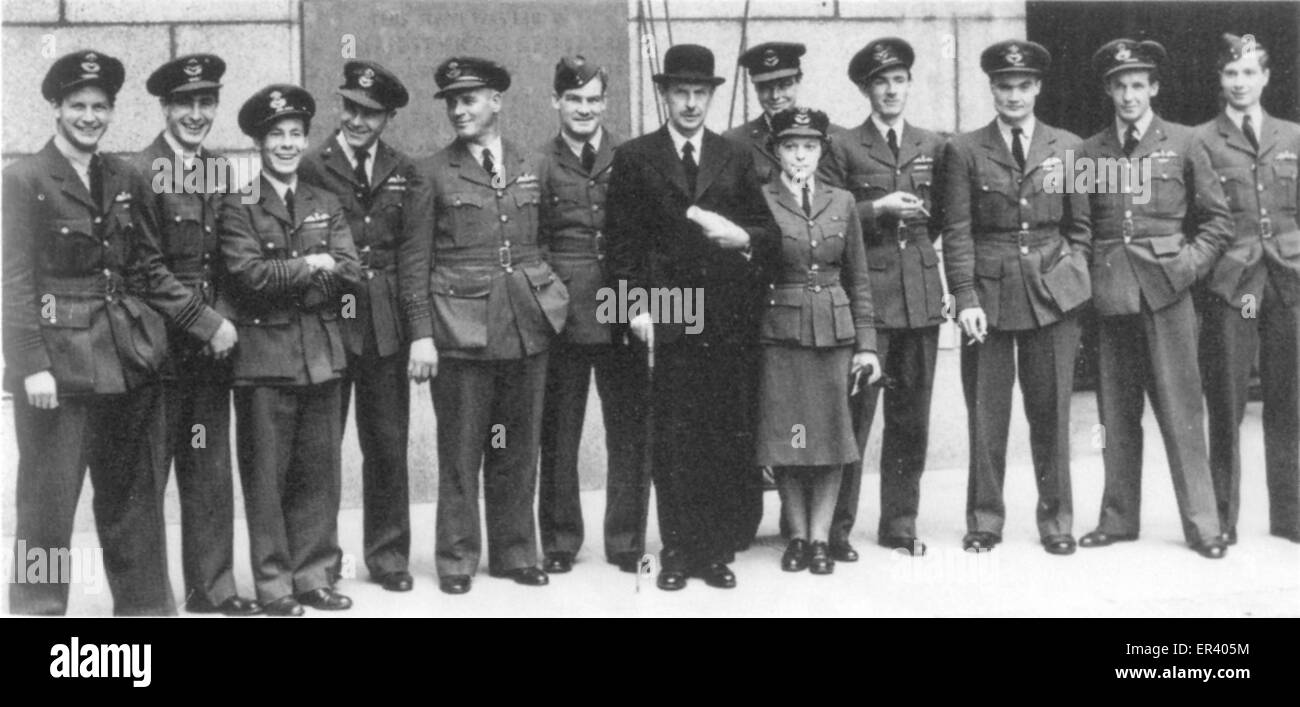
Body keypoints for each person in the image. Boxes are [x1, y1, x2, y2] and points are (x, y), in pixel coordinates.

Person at [4, 49, 235, 615]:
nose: (89, 117)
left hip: (127, 361)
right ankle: (38, 606)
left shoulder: (125, 175)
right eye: (78, 105)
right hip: (57, 370)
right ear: (56, 108)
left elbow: (147, 270)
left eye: (100, 107)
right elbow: (13, 284)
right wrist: (31, 364)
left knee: (132, 501)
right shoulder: (24, 179)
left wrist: (205, 324)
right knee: (48, 505)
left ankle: (145, 610)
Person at [605, 44, 779, 590]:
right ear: (663, 94)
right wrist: (631, 309)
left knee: (719, 433)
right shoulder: (635, 157)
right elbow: (619, 246)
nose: (689, 102)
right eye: (679, 91)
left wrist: (743, 236)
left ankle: (714, 549)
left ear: (711, 96)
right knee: (673, 435)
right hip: (668, 311)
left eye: (699, 92)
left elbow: (770, 236)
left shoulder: (734, 156)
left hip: (726, 316)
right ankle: (677, 549)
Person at [400, 57, 569, 595]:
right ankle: (455, 559)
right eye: (452, 101)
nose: (458, 110)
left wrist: (549, 300)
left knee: (517, 447)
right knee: (461, 451)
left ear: (497, 100)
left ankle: (516, 552)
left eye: (469, 99)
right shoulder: (430, 173)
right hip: (461, 331)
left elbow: (542, 242)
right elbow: (414, 262)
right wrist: (421, 333)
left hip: (525, 327)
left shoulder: (530, 162)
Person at [1074, 39, 1233, 559]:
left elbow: (1217, 224)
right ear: (1107, 90)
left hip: (1168, 297)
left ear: (1154, 87)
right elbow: (1080, 227)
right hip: (1111, 295)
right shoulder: (1089, 151)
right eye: (1119, 85)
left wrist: (1185, 268)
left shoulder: (1185, 142)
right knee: (1115, 414)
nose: (1128, 95)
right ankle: (1118, 518)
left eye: (1138, 84)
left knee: (1183, 411)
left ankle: (1204, 524)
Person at [942, 40, 1090, 555]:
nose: (1013, 96)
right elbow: (957, 231)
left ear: (1037, 88)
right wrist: (965, 298)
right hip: (988, 294)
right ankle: (985, 520)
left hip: (1051, 295)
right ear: (992, 89)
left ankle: (1056, 521)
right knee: (987, 415)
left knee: (1051, 413)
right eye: (1004, 87)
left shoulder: (1069, 148)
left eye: (1022, 86)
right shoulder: (963, 149)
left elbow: (1081, 229)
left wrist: (1070, 281)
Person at [218, 84, 362, 615]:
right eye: (275, 135)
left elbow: (349, 272)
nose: (286, 144)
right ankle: (275, 585)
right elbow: (246, 276)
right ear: (259, 141)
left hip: (322, 356)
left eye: (295, 134)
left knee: (318, 475)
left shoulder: (325, 202)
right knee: (267, 479)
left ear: (305, 139)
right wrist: (311, 266)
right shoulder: (239, 203)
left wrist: (313, 273)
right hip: (264, 360)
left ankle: (315, 576)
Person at [132, 53, 260, 615]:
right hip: (159, 350)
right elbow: (146, 270)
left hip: (211, 353)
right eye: (186, 103)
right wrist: (210, 324)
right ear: (165, 106)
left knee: (208, 472)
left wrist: (225, 323)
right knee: (148, 477)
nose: (196, 113)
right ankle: (146, 600)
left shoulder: (217, 169)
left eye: (206, 102)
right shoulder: (139, 171)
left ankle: (212, 590)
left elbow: (231, 260)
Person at [819, 37, 947, 560]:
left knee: (911, 419)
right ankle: (837, 529)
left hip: (919, 296)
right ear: (865, 89)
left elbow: (944, 217)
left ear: (910, 84)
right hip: (868, 298)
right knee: (855, 420)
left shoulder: (936, 145)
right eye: (880, 82)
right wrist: (878, 209)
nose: (891, 90)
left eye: (899, 80)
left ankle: (899, 522)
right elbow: (829, 215)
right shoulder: (843, 145)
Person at [298, 60, 421, 592]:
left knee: (388, 445)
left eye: (369, 113)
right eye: (349, 107)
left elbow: (413, 256)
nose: (356, 120)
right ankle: (318, 566)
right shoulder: (311, 165)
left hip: (384, 328)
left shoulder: (404, 168)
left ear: (387, 117)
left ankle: (389, 556)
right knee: (321, 450)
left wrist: (420, 332)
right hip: (330, 321)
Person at [725, 41, 843, 549]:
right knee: (767, 416)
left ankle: (821, 532)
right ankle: (748, 519)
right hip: (755, 301)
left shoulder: (821, 135)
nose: (776, 94)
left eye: (784, 84)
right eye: (766, 87)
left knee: (815, 420)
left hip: (814, 305)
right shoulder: (733, 144)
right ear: (754, 88)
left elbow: (840, 210)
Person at [534, 56, 648, 575]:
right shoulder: (539, 163)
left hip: (622, 304)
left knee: (629, 429)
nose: (584, 109)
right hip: (564, 308)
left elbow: (646, 238)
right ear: (557, 102)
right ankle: (560, 540)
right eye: (574, 99)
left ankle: (626, 540)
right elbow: (533, 243)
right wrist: (548, 299)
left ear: (606, 102)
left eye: (593, 99)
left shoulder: (631, 158)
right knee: (559, 430)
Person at [757, 107, 880, 575]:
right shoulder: (761, 200)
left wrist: (866, 345)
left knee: (829, 438)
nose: (800, 155)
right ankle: (795, 536)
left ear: (822, 151)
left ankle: (821, 538)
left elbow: (860, 279)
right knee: (789, 439)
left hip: (834, 333)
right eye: (791, 146)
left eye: (809, 146)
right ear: (777, 152)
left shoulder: (843, 201)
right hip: (781, 333)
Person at [1194, 33, 1300, 546]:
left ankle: (1292, 515)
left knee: (1290, 400)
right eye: (1231, 74)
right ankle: (1221, 516)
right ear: (1220, 79)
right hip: (1233, 283)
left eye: (1249, 73)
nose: (1240, 83)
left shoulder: (1292, 136)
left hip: (1288, 281)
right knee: (1227, 399)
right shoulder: (1201, 140)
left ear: (1265, 77)